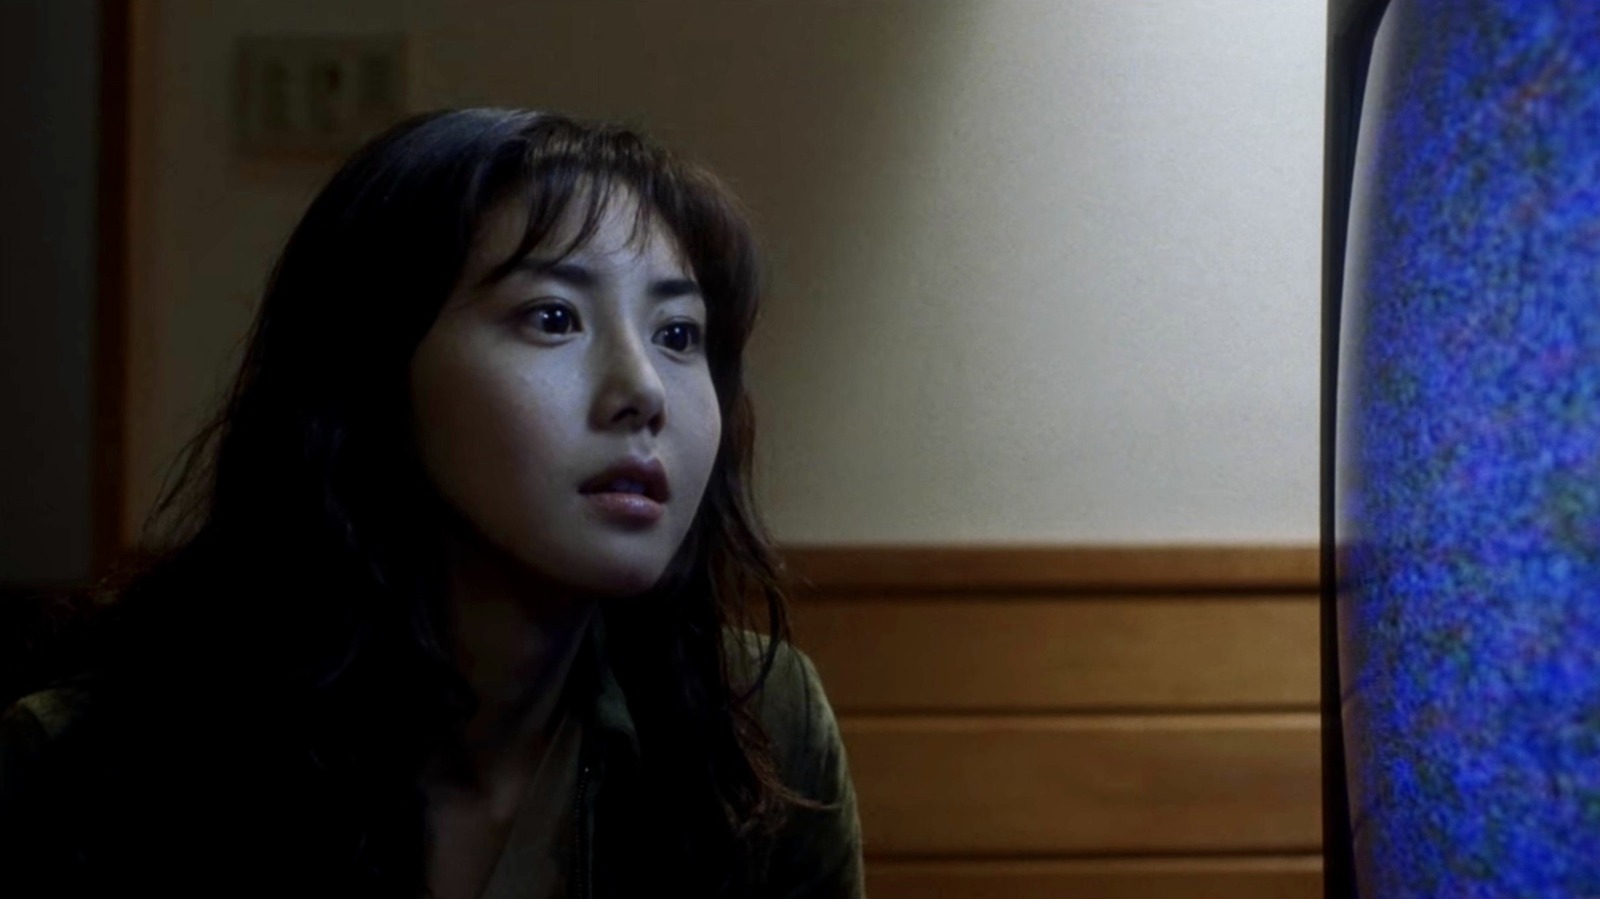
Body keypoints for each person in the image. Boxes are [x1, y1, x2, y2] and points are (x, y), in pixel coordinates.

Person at [0, 109, 863, 899]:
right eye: (553, 317)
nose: (644, 390)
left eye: (678, 334)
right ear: (374, 370)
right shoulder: (94, 764)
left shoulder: (752, 728)